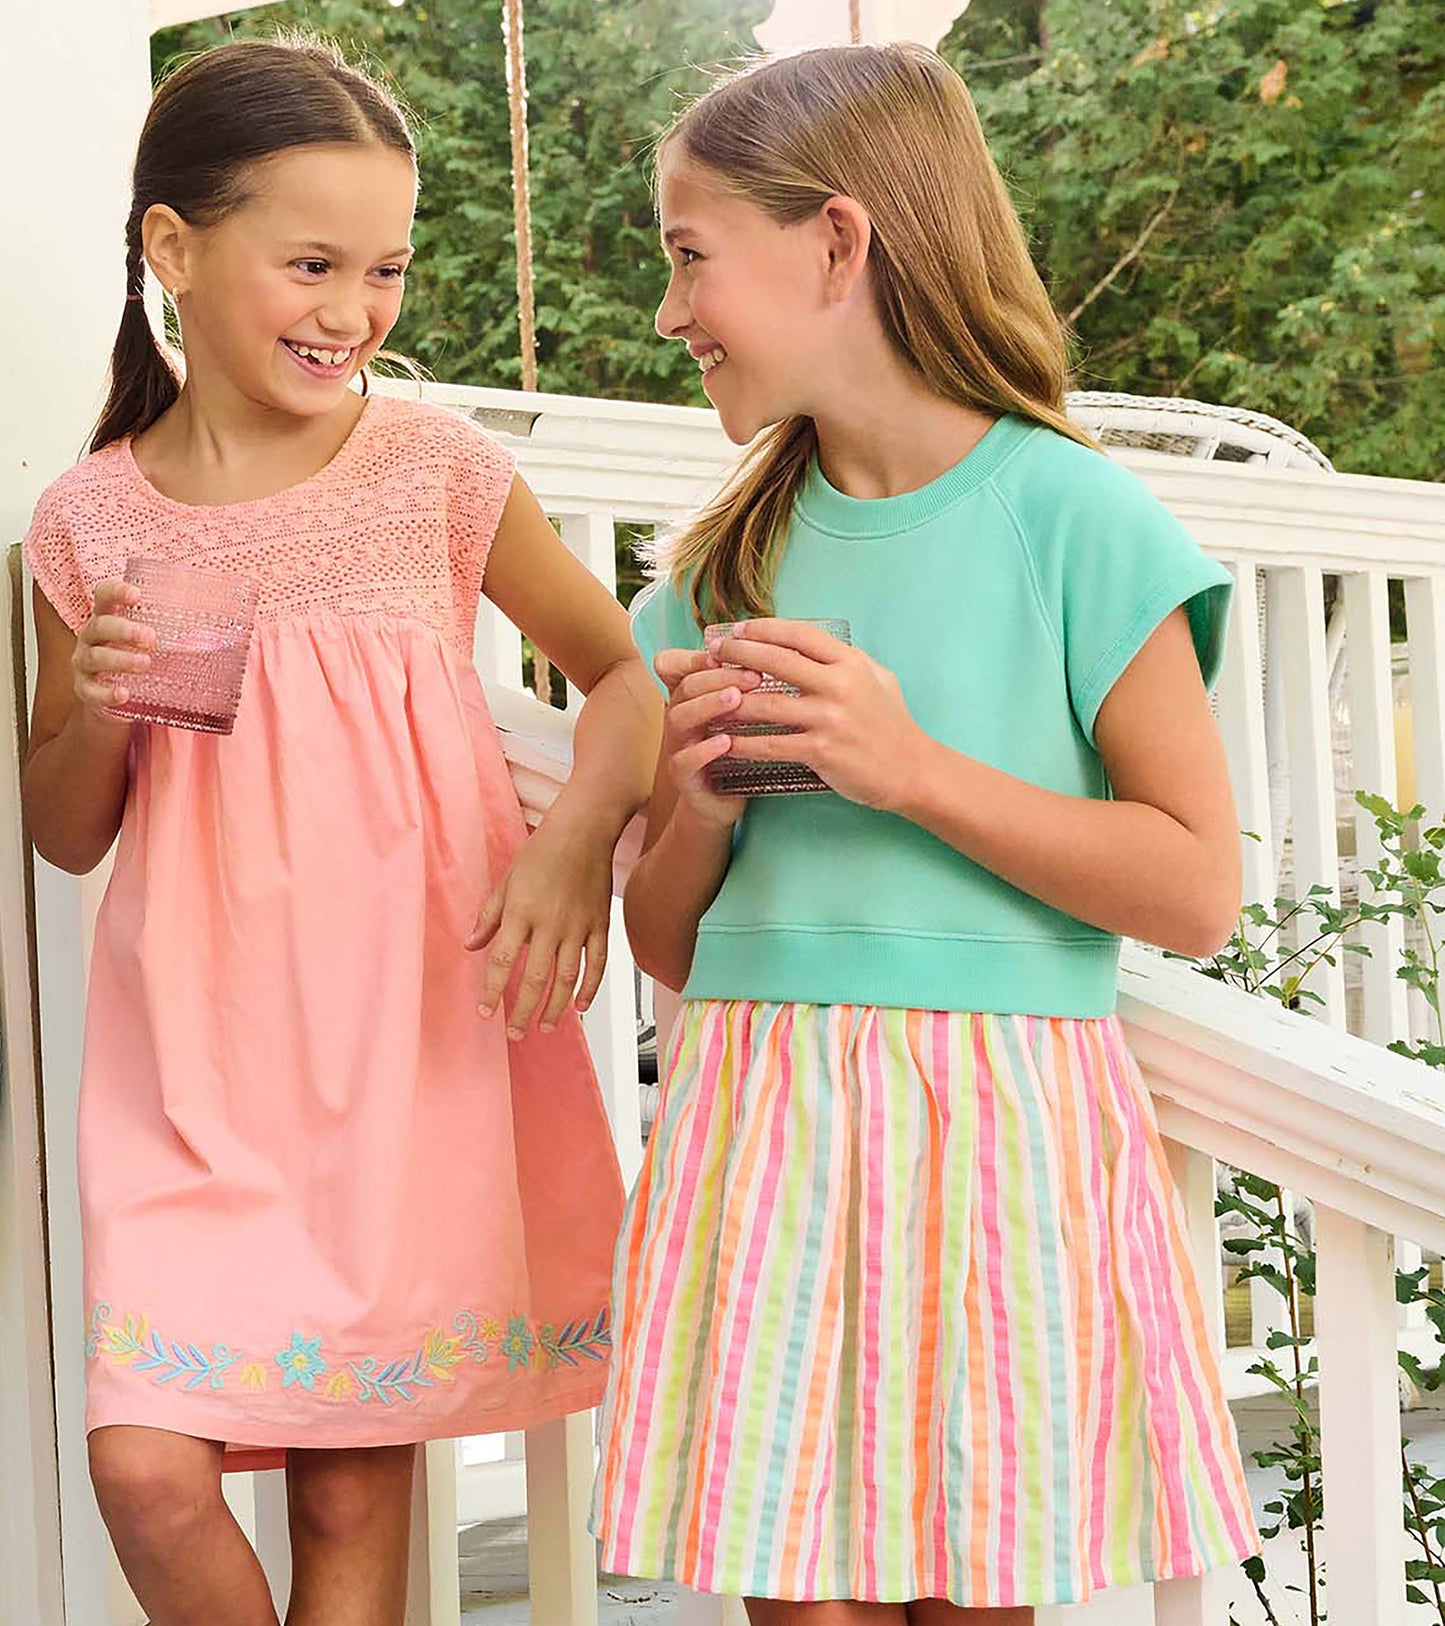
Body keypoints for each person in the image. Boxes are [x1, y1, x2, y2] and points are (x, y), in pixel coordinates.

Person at [592, 43, 1259, 1625]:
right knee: (793, 1600)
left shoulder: (1076, 520)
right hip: (758, 1121)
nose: (671, 313)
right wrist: (694, 810)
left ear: (836, 242)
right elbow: (665, 942)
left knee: (975, 1592)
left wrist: (909, 769)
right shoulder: (715, 572)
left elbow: (1194, 889)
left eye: (690, 257)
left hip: (1000, 1129)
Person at [22, 37, 656, 1626]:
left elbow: (625, 676)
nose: (354, 310)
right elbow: (66, 830)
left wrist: (572, 844)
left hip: (403, 1053)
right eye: (311, 264)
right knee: (148, 1472)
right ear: (172, 248)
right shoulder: (89, 519)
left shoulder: (432, 471)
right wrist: (97, 702)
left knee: (349, 1494)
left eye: (384, 270)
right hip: (196, 1073)